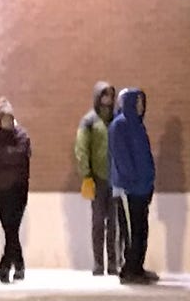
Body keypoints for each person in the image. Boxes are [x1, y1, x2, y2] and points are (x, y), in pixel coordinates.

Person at [108, 85, 156, 285]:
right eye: (137, 102)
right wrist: (133, 179)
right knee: (130, 230)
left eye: (142, 102)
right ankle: (128, 269)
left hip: (142, 188)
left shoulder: (138, 125)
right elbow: (121, 157)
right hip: (128, 188)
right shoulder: (120, 125)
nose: (141, 106)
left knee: (141, 229)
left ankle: (138, 267)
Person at [77, 84, 122, 279]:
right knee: (98, 222)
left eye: (111, 95)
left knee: (114, 223)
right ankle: (98, 263)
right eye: (104, 95)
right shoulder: (89, 121)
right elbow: (81, 148)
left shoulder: (116, 119)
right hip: (97, 178)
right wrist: (86, 174)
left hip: (115, 178)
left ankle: (113, 263)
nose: (108, 99)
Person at [0, 100, 33, 284]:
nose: (6, 121)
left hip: (19, 188)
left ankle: (5, 266)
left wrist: (2, 156)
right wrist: (8, 156)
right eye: (3, 118)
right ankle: (18, 265)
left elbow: (21, 155)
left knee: (11, 228)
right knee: (10, 228)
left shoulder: (22, 136)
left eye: (9, 118)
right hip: (0, 189)